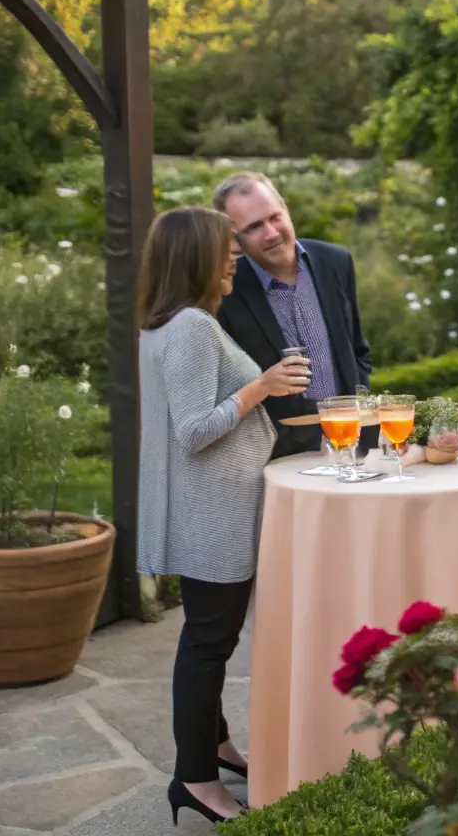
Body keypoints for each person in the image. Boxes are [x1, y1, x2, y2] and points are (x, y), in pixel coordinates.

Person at [135, 207, 310, 824]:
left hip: (208, 508)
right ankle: (196, 781)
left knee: (210, 636)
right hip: (213, 515)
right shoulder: (190, 328)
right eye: (225, 250)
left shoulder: (169, 324)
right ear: (195, 258)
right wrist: (261, 386)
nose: (236, 258)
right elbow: (193, 431)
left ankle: (215, 748)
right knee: (208, 643)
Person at [213, 172, 374, 460]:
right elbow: (222, 389)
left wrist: (362, 420)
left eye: (274, 217)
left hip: (353, 448)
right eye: (254, 227)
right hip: (275, 459)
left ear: (285, 207)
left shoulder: (335, 261)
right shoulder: (225, 290)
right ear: (233, 237)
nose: (272, 233)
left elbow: (357, 351)